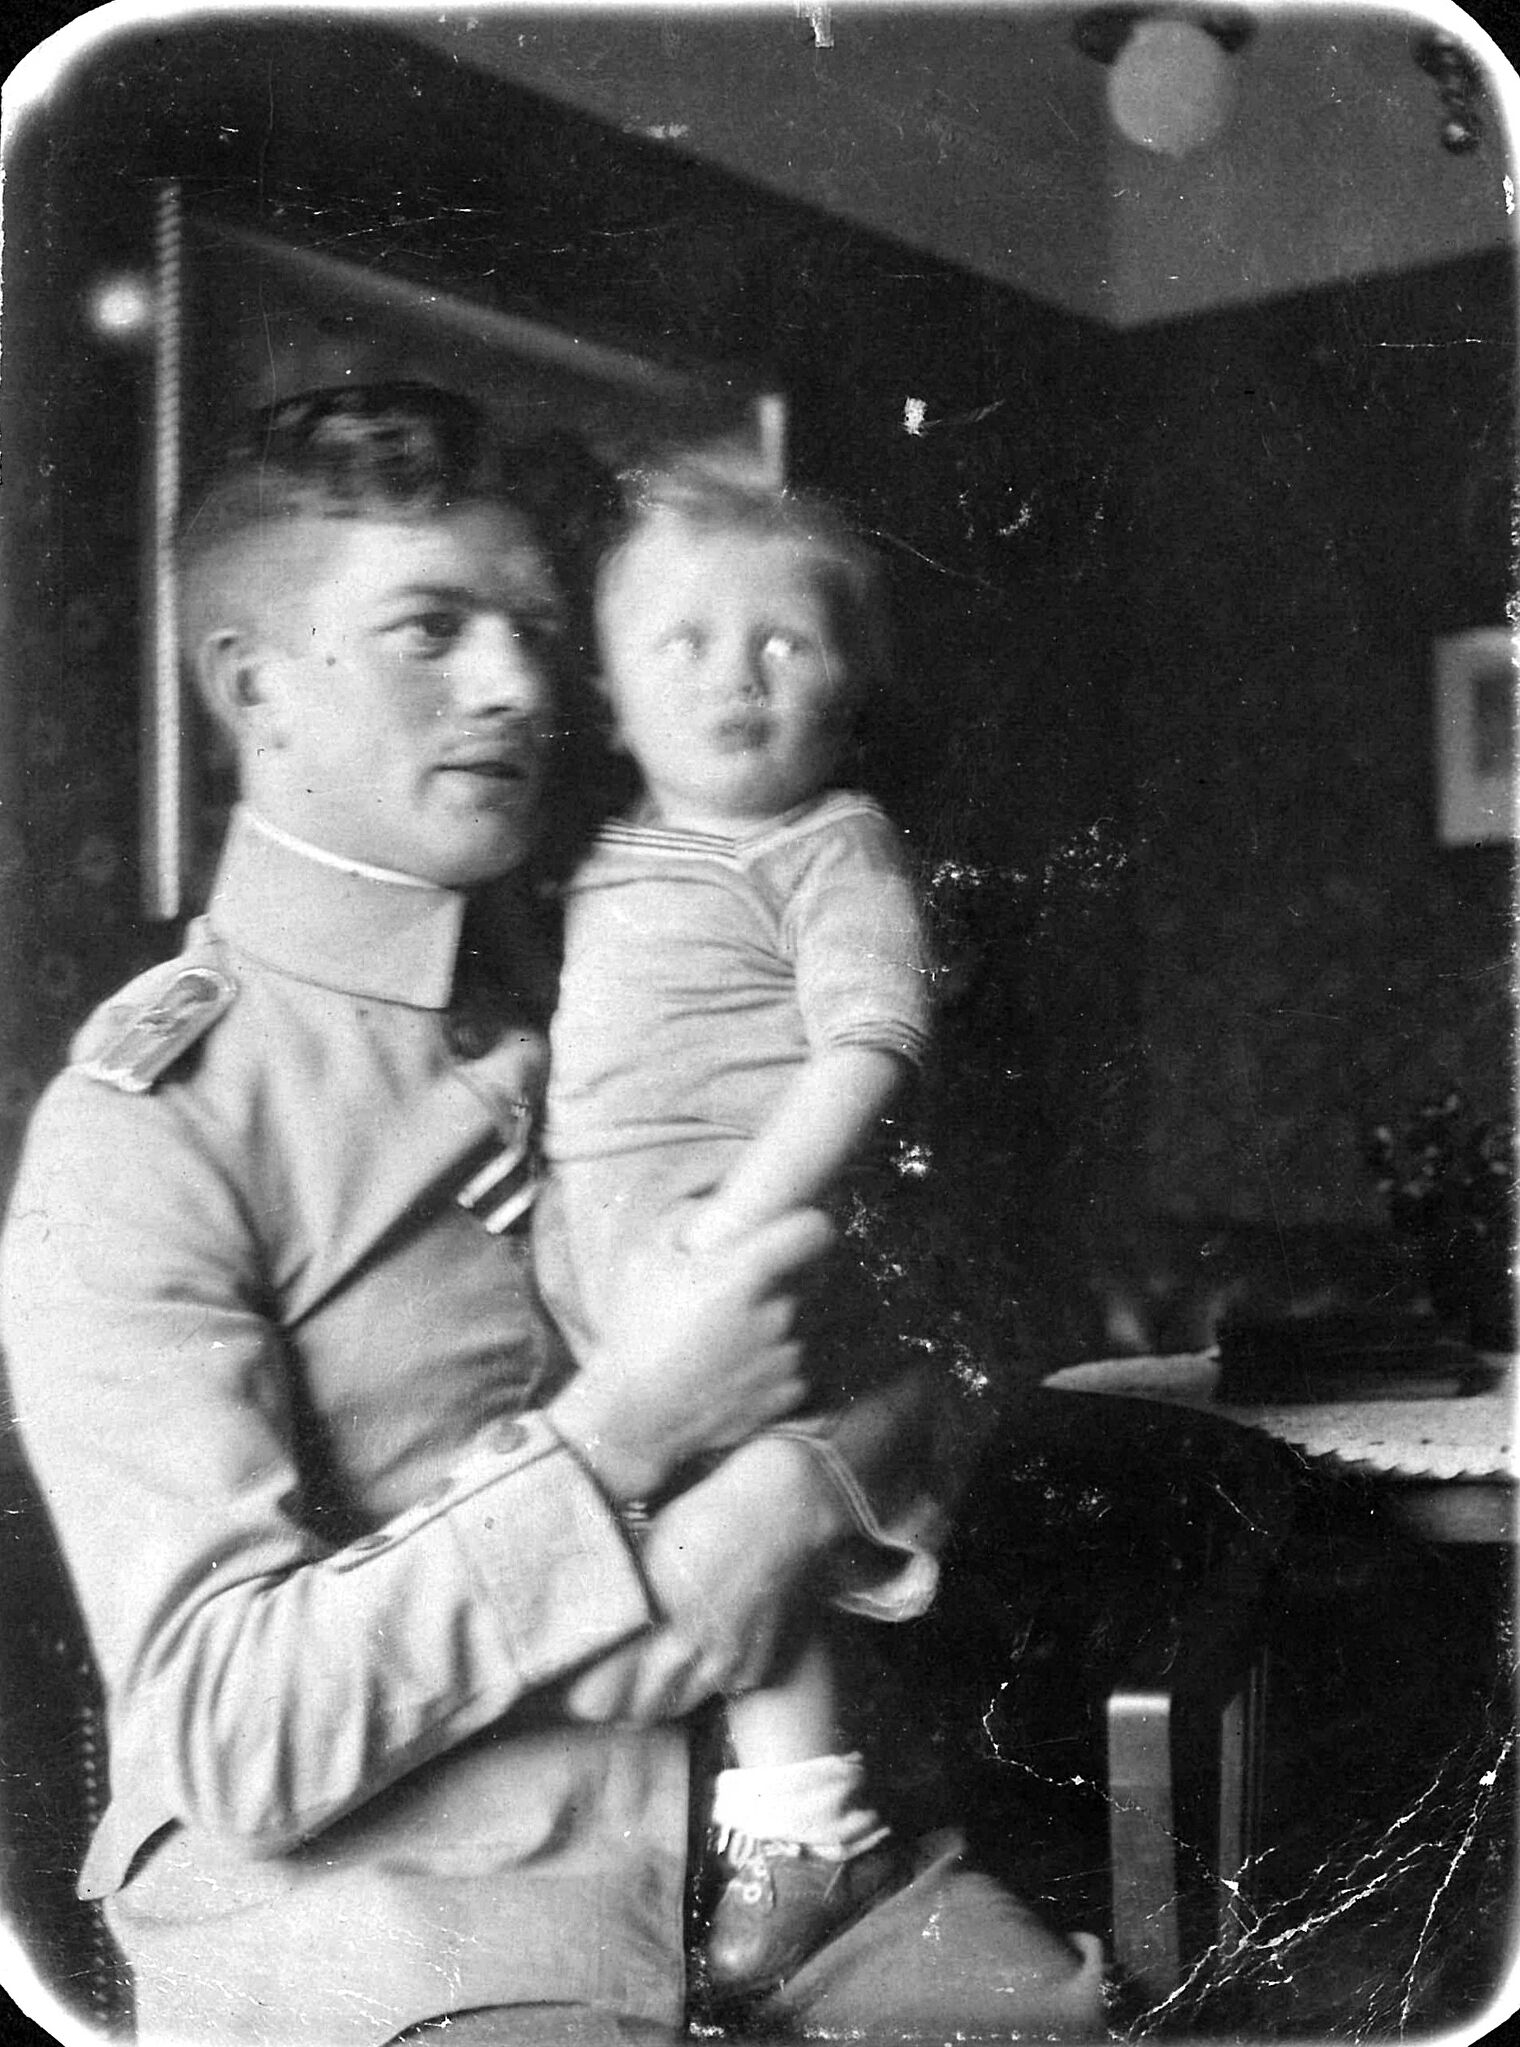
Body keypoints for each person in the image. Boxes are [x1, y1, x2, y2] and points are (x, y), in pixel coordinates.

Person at [0, 383, 1106, 2047]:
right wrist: (619, 1434)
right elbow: (232, 1737)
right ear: (252, 688)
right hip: (415, 1936)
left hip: (809, 1866)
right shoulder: (145, 1134)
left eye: (530, 629)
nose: (514, 684)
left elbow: (937, 1334)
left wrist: (803, 1491)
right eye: (429, 629)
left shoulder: (643, 939)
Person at [535, 466, 940, 2003]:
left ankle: (805, 1832)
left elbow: (870, 1044)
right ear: (610, 692)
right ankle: (721, 1821)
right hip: (608, 1262)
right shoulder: (611, 855)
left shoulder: (831, 845)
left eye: (786, 642)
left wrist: (739, 1222)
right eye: (684, 641)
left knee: (742, 1536)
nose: (736, 676)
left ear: (850, 690)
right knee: (652, 1543)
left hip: (738, 1260)